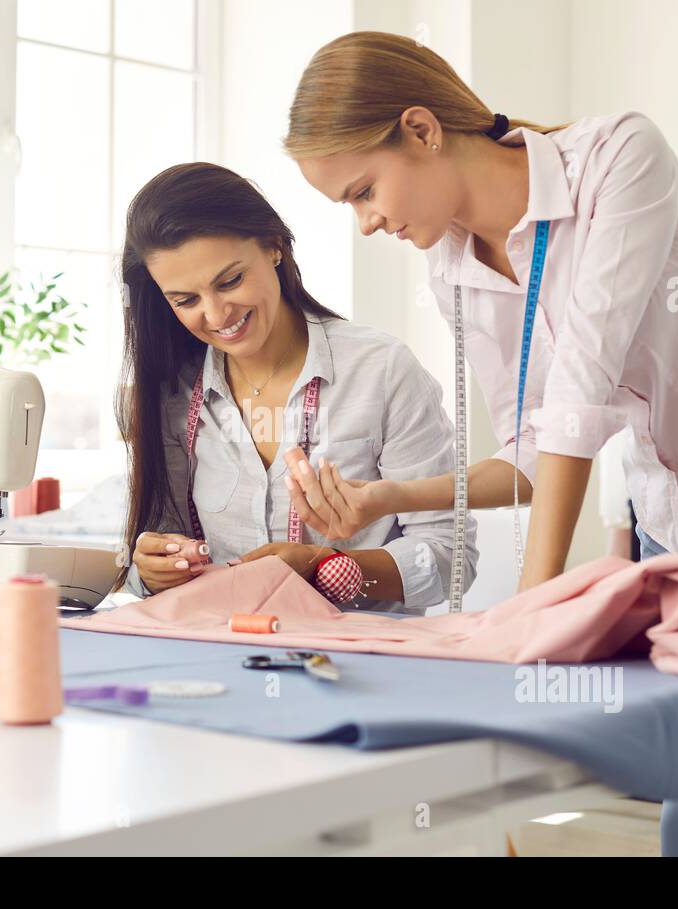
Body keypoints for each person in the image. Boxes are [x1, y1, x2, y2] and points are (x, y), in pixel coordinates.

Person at [282, 31, 678, 854]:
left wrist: (532, 616)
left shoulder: (621, 157)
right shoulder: (453, 267)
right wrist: (391, 498)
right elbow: (533, 448)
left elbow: (581, 393)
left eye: (362, 192)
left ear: (419, 130)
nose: (367, 222)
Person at [117, 162, 476, 615]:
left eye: (230, 281)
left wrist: (330, 569)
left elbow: (451, 559)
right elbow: (148, 552)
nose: (216, 314)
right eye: (185, 300)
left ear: (274, 247)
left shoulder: (380, 370)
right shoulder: (172, 394)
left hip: (358, 666)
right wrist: (150, 571)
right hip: (217, 655)